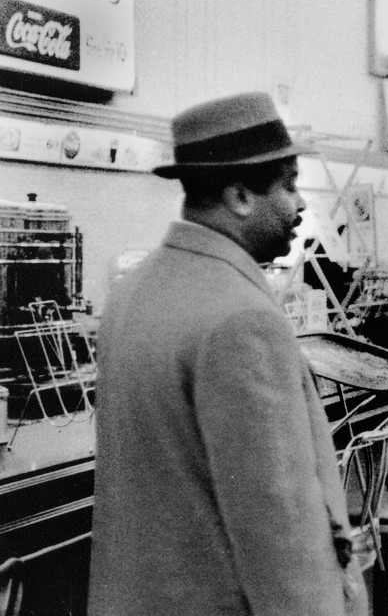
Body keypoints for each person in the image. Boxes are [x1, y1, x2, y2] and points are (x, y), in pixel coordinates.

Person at [88, 93, 367, 616]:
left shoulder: (132, 292)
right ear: (239, 195)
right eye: (289, 185)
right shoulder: (243, 320)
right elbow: (281, 535)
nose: (301, 205)